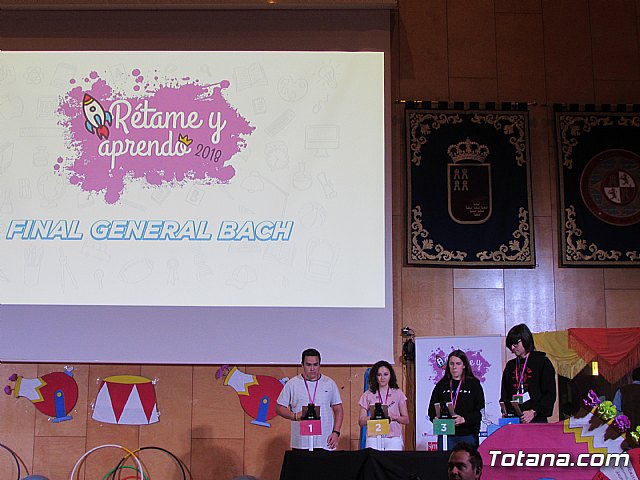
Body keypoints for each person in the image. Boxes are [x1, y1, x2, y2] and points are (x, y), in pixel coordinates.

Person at [276, 348, 344, 450]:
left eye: (315, 365)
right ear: (302, 365)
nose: (312, 369)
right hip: (301, 443)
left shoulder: (329, 383)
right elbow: (279, 408)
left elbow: (338, 409)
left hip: (325, 441)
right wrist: (294, 416)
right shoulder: (292, 384)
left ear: (320, 365)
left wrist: (336, 432)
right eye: (308, 365)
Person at [428, 350, 485, 450]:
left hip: (467, 434)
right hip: (446, 434)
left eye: (458, 364)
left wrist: (464, 419)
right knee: (445, 459)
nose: (454, 367)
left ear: (464, 365)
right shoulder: (441, 385)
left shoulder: (474, 384)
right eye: (451, 364)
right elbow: (431, 410)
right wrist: (435, 418)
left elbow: (479, 412)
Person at [500, 323, 556, 424]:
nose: (513, 348)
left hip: (536, 419)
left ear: (525, 339)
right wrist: (506, 411)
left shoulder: (542, 362)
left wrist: (534, 411)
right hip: (515, 420)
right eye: (510, 346)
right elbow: (505, 393)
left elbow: (549, 394)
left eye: (515, 344)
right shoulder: (510, 366)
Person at [357, 360, 410, 450]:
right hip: (373, 437)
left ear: (390, 375)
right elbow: (361, 421)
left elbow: (406, 420)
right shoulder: (368, 394)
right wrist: (374, 417)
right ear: (375, 376)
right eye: (379, 375)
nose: (382, 378)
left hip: (393, 437)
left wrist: (394, 417)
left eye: (385, 374)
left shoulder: (398, 393)